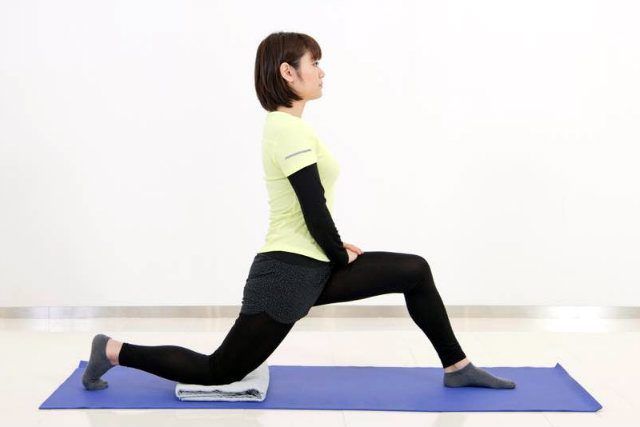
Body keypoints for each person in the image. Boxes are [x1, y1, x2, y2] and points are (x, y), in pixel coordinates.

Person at [81, 31, 516, 391]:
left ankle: (456, 366)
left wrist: (334, 249)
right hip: (287, 273)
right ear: (288, 72)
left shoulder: (291, 128)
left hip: (310, 264)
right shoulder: (285, 130)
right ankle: (113, 351)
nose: (322, 71)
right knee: (219, 370)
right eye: (315, 62)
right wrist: (336, 252)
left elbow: (312, 209)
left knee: (414, 271)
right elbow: (312, 207)